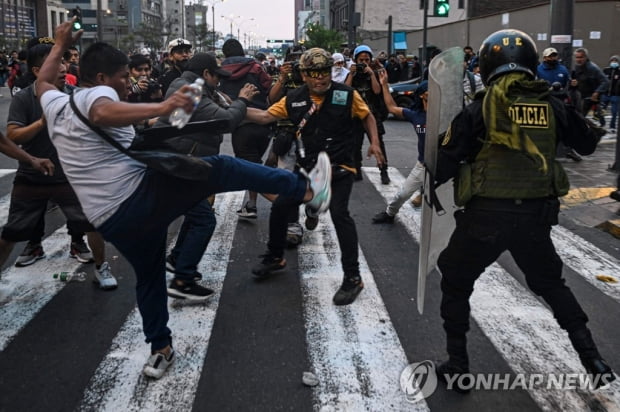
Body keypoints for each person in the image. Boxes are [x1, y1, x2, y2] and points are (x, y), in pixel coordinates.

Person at [37, 20, 331, 379]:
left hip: (112, 221)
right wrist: (163, 108)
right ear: (100, 78)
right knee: (224, 168)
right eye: (122, 78)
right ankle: (308, 190)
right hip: (138, 198)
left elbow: (43, 82)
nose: (128, 84)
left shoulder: (56, 104)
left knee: (149, 278)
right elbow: (101, 112)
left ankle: (160, 350)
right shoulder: (96, 97)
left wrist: (59, 43)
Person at [432, 29, 615, 392]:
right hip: (535, 218)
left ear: (486, 67)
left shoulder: (481, 107)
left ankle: (458, 365)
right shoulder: (552, 104)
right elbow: (588, 144)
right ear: (532, 64)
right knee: (551, 284)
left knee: (455, 280)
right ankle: (593, 358)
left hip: (484, 218)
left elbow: (441, 165)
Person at [245, 47, 385, 306]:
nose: (320, 78)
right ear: (304, 74)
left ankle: (353, 277)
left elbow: (368, 116)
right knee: (281, 206)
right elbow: (264, 116)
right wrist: (233, 109)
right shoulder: (294, 97)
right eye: (313, 74)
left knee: (340, 215)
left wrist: (374, 143)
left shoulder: (346, 94)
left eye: (324, 72)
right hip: (308, 166)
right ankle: (275, 256)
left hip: (340, 166)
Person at [4, 42, 117, 289]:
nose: (63, 66)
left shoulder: (75, 95)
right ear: (37, 71)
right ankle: (34, 248)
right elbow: (12, 136)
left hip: (70, 176)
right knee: (12, 232)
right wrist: (43, 122)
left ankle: (101, 267)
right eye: (56, 62)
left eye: (64, 61)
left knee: (91, 223)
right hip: (31, 176)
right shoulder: (24, 98)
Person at [155, 52, 256, 298]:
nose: (219, 81)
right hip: (178, 164)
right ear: (206, 74)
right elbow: (226, 121)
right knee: (204, 220)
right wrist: (241, 101)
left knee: (197, 214)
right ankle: (183, 280)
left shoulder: (192, 87)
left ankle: (178, 259)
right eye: (216, 76)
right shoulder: (192, 91)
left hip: (180, 162)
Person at [220, 39, 274, 219]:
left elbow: (219, 95)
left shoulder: (220, 71)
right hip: (263, 122)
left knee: (251, 169)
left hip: (240, 124)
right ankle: (251, 204)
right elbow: (269, 89)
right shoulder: (256, 68)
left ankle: (284, 201)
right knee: (254, 164)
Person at [372, 75, 427, 224]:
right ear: (422, 95)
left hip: (443, 165)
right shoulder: (416, 115)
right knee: (403, 194)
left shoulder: (444, 115)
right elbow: (392, 107)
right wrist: (384, 85)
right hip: (423, 164)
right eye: (429, 92)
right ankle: (389, 214)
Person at [345, 45, 390, 184]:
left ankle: (383, 171)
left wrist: (371, 74)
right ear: (355, 60)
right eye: (361, 60)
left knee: (378, 144)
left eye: (366, 59)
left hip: (372, 113)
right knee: (355, 145)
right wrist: (351, 74)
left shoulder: (374, 73)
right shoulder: (351, 73)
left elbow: (377, 91)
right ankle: (357, 170)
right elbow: (346, 91)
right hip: (356, 116)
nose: (363, 63)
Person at [570, 47, 609, 127]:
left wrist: (597, 92)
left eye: (581, 57)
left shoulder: (593, 68)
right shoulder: (577, 67)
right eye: (577, 57)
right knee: (579, 118)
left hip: (594, 97)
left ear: (586, 57)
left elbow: (605, 81)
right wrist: (574, 83)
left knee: (598, 117)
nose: (579, 60)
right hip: (583, 96)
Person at [602, 55, 619, 132]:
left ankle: (612, 126)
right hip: (605, 95)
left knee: (614, 112)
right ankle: (602, 123)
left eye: (615, 61)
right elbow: (601, 81)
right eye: (612, 61)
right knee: (601, 111)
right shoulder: (605, 70)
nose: (614, 62)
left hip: (615, 95)